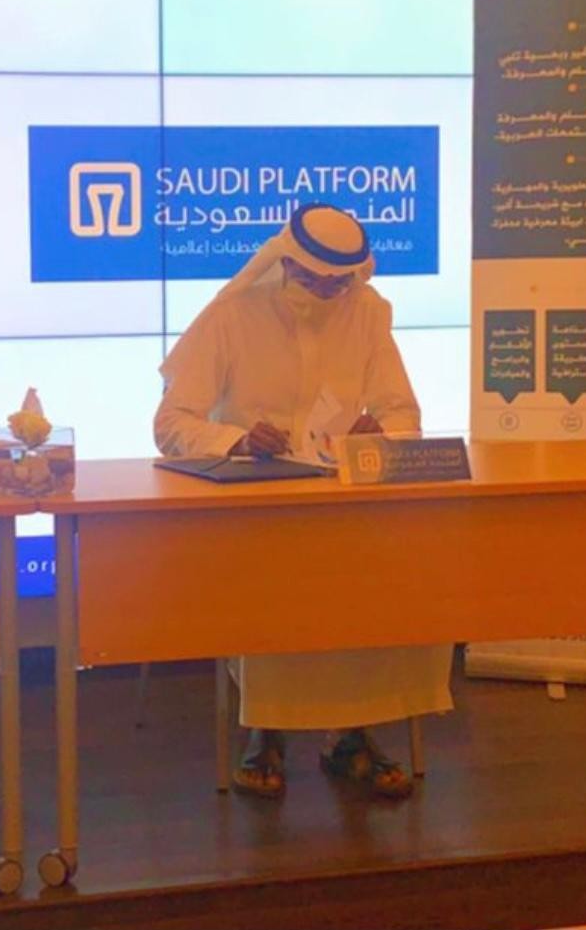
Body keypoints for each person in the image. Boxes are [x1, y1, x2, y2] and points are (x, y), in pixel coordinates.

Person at [154, 203, 452, 800]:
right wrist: (237, 439)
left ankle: (355, 731)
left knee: (399, 574)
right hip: (253, 504)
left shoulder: (367, 312)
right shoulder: (232, 315)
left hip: (344, 499)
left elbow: (403, 413)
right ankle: (265, 731)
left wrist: (379, 434)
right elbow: (171, 423)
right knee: (284, 575)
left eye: (339, 283)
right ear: (287, 263)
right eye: (316, 281)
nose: (327, 293)